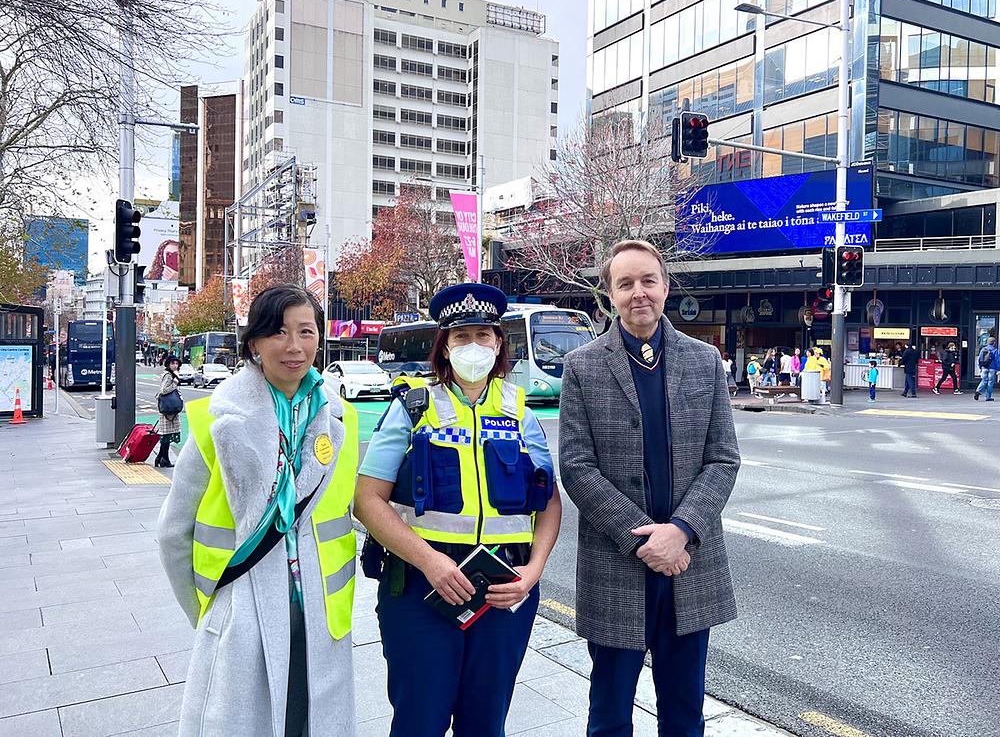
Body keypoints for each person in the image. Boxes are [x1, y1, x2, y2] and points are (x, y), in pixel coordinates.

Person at [353, 282, 561, 737]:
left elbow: (548, 504)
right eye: (461, 337)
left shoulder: (521, 414)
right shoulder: (412, 407)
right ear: (444, 347)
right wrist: (430, 561)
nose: (474, 346)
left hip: (504, 592)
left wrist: (533, 573)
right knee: (419, 722)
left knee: (486, 724)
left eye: (483, 335)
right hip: (421, 591)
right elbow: (367, 500)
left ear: (499, 343)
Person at [157, 284, 359, 737]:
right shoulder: (216, 419)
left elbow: (357, 504)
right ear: (254, 342)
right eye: (279, 332)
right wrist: (209, 615)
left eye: (307, 332)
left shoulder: (340, 419)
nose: (294, 346)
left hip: (320, 613)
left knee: (312, 723)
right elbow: (173, 533)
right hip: (242, 608)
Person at [559, 239, 740, 736]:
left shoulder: (705, 361)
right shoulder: (583, 365)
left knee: (684, 713)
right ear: (610, 295)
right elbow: (576, 467)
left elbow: (723, 459)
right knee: (610, 713)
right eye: (625, 284)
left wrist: (680, 531)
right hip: (617, 565)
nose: (638, 293)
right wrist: (646, 540)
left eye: (648, 281)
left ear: (665, 287)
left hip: (688, 563)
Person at [154, 356, 183, 468]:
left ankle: (160, 458)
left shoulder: (172, 374)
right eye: (172, 363)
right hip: (168, 410)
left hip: (170, 410)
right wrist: (175, 383)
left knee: (167, 434)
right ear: (168, 365)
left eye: (176, 363)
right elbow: (164, 390)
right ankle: (164, 459)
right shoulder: (168, 375)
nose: (175, 365)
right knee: (166, 435)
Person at [974, 336, 998, 401]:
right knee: (990, 382)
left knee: (984, 380)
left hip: (984, 367)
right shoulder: (995, 350)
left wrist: (980, 367)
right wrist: (998, 369)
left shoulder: (983, 349)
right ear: (994, 343)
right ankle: (988, 397)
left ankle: (978, 391)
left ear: (987, 342)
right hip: (992, 368)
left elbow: (979, 359)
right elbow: (997, 360)